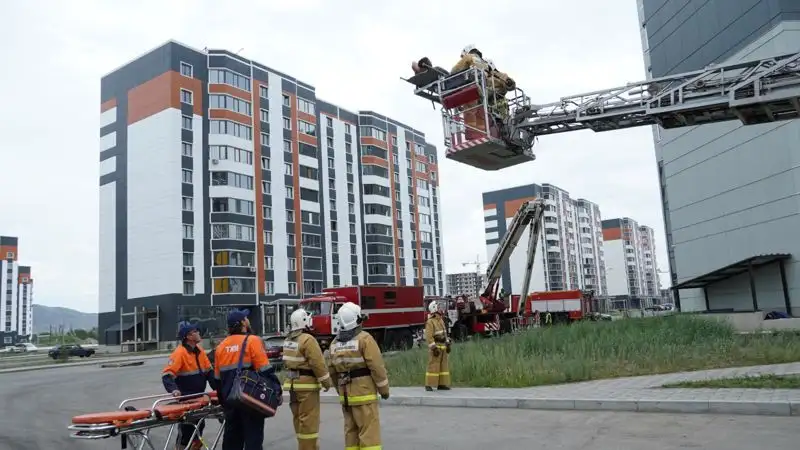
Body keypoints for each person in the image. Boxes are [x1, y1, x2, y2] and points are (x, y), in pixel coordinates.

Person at [214, 309, 282, 450]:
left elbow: (218, 381)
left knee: (232, 442)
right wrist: (277, 391)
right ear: (242, 323)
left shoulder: (220, 347)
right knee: (253, 442)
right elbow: (265, 370)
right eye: (246, 318)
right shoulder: (252, 341)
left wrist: (224, 405)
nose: (248, 320)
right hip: (250, 401)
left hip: (230, 403)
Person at [328, 302, 390, 450]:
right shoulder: (364, 339)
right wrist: (384, 390)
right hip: (364, 394)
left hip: (346, 397)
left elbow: (332, 371)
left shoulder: (334, 343)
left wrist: (340, 390)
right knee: (369, 434)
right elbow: (376, 367)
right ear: (356, 319)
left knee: (351, 433)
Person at [283, 308, 334, 450]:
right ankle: (308, 447)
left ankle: (307, 446)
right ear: (304, 321)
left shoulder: (288, 340)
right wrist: (326, 382)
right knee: (309, 421)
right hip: (307, 386)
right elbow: (317, 363)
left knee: (298, 419)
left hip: (293, 386)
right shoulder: (308, 339)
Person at [162, 321, 216, 450]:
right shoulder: (180, 353)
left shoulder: (200, 352)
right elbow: (167, 375)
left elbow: (210, 374)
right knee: (187, 427)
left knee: (199, 424)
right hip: (186, 397)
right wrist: (174, 390)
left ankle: (194, 446)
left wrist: (219, 389)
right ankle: (181, 447)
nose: (198, 333)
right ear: (188, 336)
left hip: (199, 396)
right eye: (195, 331)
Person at [451, 45, 491, 140]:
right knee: (480, 113)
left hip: (472, 88)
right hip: (484, 91)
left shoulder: (468, 57)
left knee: (469, 111)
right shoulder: (484, 63)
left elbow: (454, 71)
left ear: (466, 52)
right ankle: (482, 135)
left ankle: (471, 134)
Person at [424, 302, 451, 391]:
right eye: (439, 307)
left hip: (443, 347)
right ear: (434, 309)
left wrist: (447, 343)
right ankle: (428, 384)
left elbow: (445, 333)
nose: (441, 309)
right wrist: (434, 348)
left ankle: (442, 384)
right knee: (433, 366)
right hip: (436, 347)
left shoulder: (441, 320)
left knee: (443, 366)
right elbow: (429, 336)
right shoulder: (430, 321)